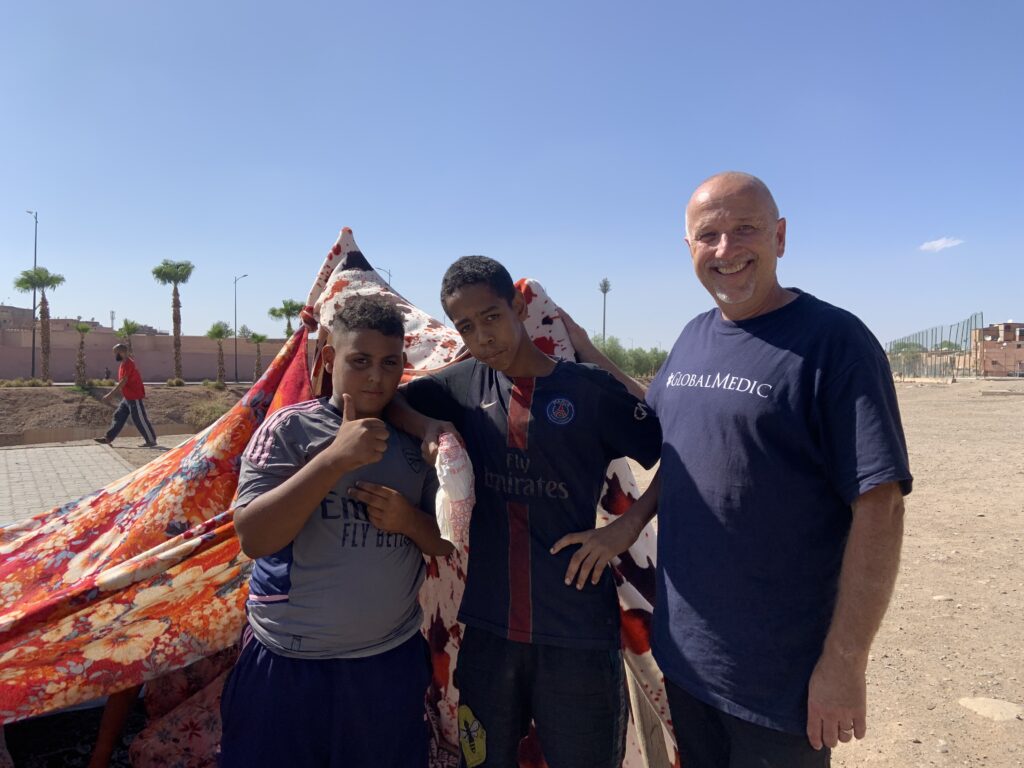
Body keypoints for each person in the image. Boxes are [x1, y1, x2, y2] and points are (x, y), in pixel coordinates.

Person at [565, 171, 912, 767]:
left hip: (779, 681)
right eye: (709, 236)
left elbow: (880, 505)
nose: (726, 250)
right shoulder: (695, 336)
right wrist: (583, 350)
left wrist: (844, 664)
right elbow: (671, 429)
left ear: (780, 236)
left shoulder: (834, 342)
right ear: (689, 249)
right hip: (688, 657)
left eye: (744, 229)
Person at [391, 256, 662, 768]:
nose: (482, 336)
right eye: (465, 327)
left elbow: (682, 444)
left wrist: (627, 526)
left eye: (491, 317)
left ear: (518, 307)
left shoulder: (587, 390)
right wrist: (429, 429)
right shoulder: (462, 386)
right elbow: (393, 401)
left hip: (577, 633)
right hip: (489, 634)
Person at [220, 295, 454, 768]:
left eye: (389, 363)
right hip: (287, 664)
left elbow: (444, 542)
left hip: (385, 665)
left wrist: (409, 521)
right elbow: (254, 538)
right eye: (359, 361)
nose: (375, 376)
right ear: (329, 359)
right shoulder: (289, 429)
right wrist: (334, 460)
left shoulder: (416, 442)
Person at [94, 343, 157, 447]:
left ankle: (151, 440)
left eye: (116, 353)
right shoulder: (123, 363)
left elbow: (123, 381)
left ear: (122, 352)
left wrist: (110, 395)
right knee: (119, 416)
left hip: (134, 396)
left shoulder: (129, 364)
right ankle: (108, 438)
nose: (115, 356)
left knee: (139, 419)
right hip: (127, 397)